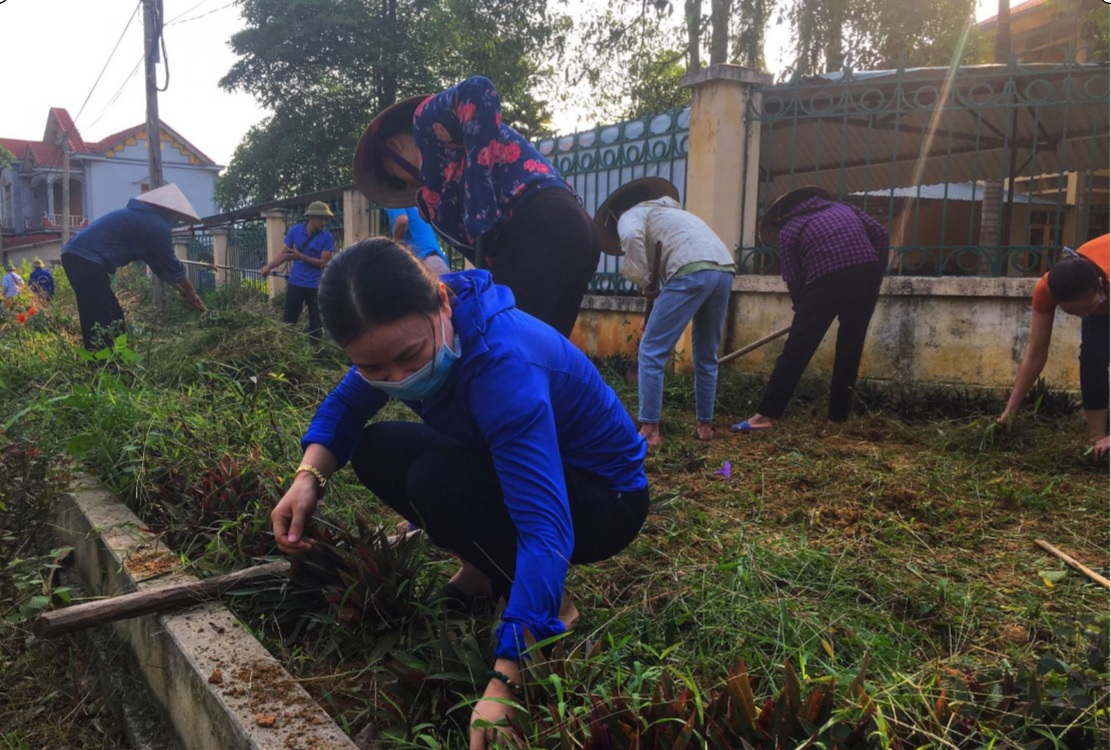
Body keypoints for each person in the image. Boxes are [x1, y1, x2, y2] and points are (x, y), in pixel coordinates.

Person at [270, 239, 649, 749]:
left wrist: (505, 681)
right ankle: (484, 568)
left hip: (603, 501)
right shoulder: (399, 339)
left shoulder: (503, 363)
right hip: (523, 465)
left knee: (436, 480)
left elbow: (544, 524)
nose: (399, 380)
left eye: (409, 357)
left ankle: (553, 607)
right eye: (375, 369)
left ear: (443, 302)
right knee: (378, 449)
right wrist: (307, 478)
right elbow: (346, 406)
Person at [353, 75, 602, 337]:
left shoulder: (425, 121)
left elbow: (478, 90)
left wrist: (477, 184)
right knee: (545, 352)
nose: (404, 184)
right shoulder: (436, 187)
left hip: (541, 225)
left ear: (394, 146)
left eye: (394, 175)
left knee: (511, 347)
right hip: (571, 233)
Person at [732, 186, 888, 432]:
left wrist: (802, 310)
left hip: (825, 279)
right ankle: (839, 418)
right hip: (866, 274)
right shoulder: (844, 208)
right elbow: (880, 233)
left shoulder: (790, 229)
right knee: (851, 346)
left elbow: (794, 279)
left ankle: (765, 416)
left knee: (797, 350)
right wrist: (876, 273)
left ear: (784, 213)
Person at [595, 178, 735, 446]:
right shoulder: (674, 214)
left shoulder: (630, 215)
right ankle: (705, 427)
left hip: (689, 271)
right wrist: (652, 285)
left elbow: (631, 238)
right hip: (724, 269)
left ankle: (649, 429)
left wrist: (644, 279)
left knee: (651, 350)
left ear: (616, 213)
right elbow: (672, 251)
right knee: (707, 354)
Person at [999, 234, 1109, 460]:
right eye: (1072, 312)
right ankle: (1097, 440)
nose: (1081, 316)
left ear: (1100, 288)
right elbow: (1036, 354)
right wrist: (1009, 412)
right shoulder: (1046, 288)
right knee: (1091, 358)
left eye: (1087, 309)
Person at [60, 184, 205, 351]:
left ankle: (114, 358)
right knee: (101, 317)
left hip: (76, 256)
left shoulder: (141, 220)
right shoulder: (156, 225)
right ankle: (102, 364)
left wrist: (184, 292)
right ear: (170, 211)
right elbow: (174, 267)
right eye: (177, 217)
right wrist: (191, 292)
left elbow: (161, 269)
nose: (176, 220)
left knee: (112, 317)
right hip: (86, 259)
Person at [259, 201, 336, 338]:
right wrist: (268, 267)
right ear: (311, 217)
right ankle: (287, 344)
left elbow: (323, 262)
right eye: (320, 218)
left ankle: (316, 350)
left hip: (315, 286)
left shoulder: (327, 237)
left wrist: (301, 256)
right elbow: (284, 254)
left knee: (316, 322)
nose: (323, 222)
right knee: (289, 320)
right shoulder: (295, 231)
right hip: (296, 283)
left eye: (326, 219)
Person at [386, 205, 452, 276]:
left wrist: (395, 247)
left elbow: (402, 220)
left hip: (424, 265)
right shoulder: (417, 206)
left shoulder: (394, 201)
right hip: (439, 262)